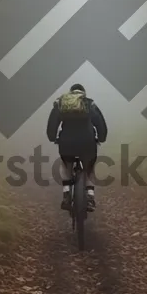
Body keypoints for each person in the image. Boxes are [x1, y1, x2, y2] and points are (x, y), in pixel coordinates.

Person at [46, 83, 107, 212]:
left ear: (70, 93)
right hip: (87, 142)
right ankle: (90, 196)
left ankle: (66, 193)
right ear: (83, 93)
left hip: (66, 142)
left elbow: (52, 125)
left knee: (66, 164)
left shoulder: (61, 104)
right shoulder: (89, 104)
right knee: (89, 167)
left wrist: (53, 138)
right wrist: (101, 138)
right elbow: (100, 124)